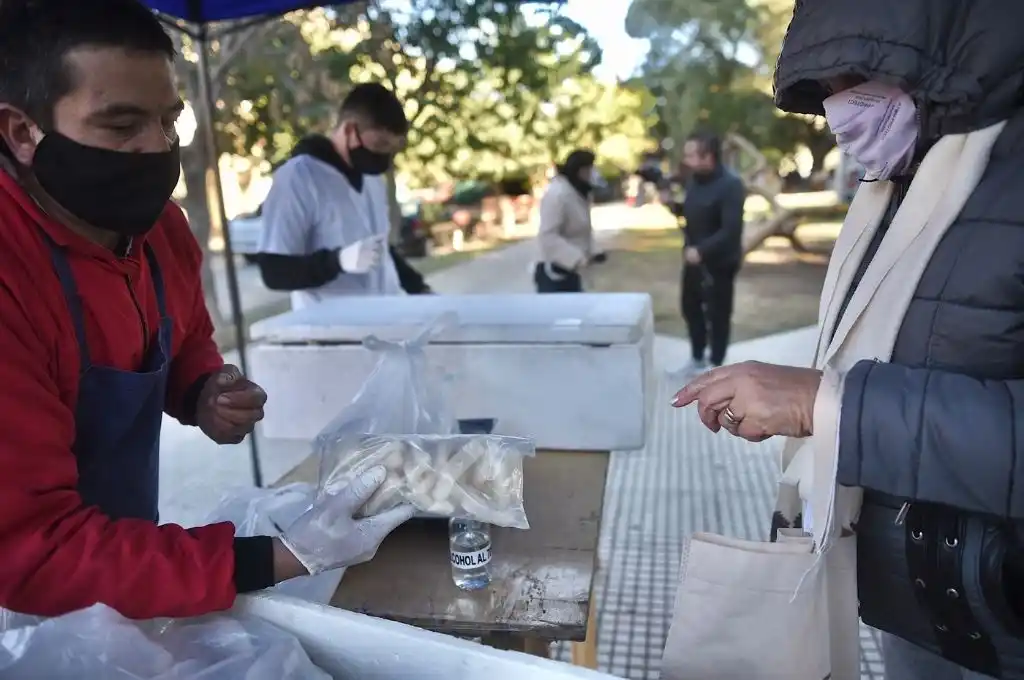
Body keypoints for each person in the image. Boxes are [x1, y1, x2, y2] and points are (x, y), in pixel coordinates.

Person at [0, 0, 413, 620]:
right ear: (23, 132)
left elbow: (186, 335)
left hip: (124, 562)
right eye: (121, 126)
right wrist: (280, 556)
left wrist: (203, 389)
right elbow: (32, 550)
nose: (157, 148)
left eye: (169, 121)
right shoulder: (11, 269)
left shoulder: (163, 230)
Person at [672, 0, 1024, 677]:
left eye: (857, 75)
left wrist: (826, 407)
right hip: (924, 610)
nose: (836, 110)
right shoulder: (901, 179)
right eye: (823, 89)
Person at [257, 83, 431, 309]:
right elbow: (274, 271)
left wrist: (419, 288)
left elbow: (380, 252)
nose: (384, 156)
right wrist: (337, 261)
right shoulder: (299, 177)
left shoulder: (372, 180)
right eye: (380, 144)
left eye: (392, 148)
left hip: (384, 322)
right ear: (350, 131)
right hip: (329, 331)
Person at [672, 131, 746, 374]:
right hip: (693, 260)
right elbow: (692, 213)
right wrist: (672, 206)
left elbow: (731, 230)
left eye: (691, 155)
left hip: (719, 263)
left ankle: (715, 364)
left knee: (717, 313)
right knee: (690, 308)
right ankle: (696, 357)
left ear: (708, 156)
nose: (687, 159)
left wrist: (702, 251)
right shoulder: (694, 180)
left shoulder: (731, 185)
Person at [534, 149, 606, 293]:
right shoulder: (557, 195)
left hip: (574, 271)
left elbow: (581, 230)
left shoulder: (578, 193)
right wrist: (577, 258)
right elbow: (548, 236)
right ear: (578, 170)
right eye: (588, 169)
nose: (592, 173)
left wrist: (594, 252)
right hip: (555, 273)